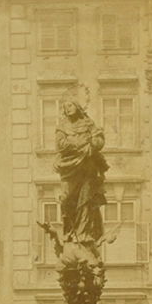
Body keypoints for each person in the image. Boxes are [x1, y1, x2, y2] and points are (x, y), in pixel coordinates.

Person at [54, 97, 109, 249]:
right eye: (64, 106)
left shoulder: (88, 123)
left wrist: (92, 145)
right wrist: (80, 145)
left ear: (77, 106)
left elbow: (99, 139)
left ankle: (84, 233)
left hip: (87, 166)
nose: (67, 108)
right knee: (66, 199)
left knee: (86, 200)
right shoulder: (62, 126)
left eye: (70, 105)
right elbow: (60, 144)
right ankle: (69, 232)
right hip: (69, 167)